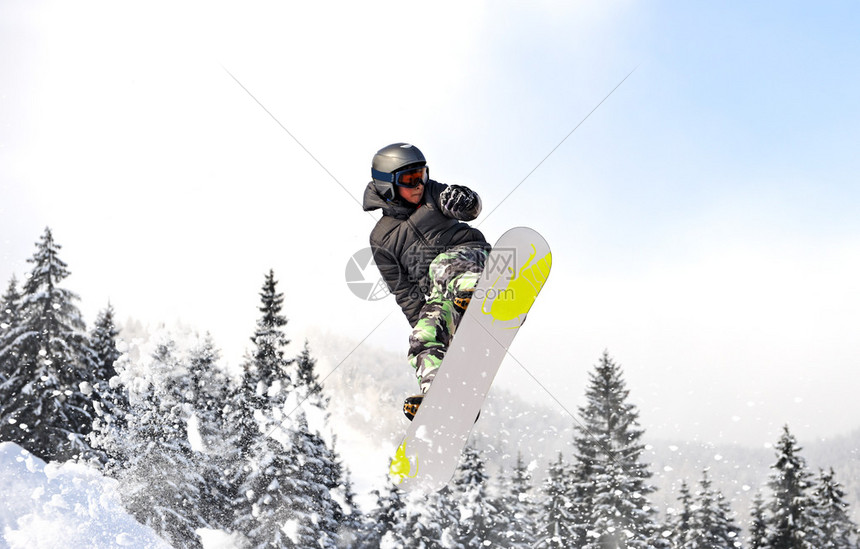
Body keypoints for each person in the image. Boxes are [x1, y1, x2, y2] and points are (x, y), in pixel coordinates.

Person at [363, 143, 490, 418]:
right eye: (410, 179)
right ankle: (441, 395)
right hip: (443, 294)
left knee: (442, 267)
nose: (420, 184)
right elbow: (404, 292)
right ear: (388, 186)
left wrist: (465, 200)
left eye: (422, 174)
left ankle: (478, 295)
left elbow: (468, 208)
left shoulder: (433, 194)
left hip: (472, 260)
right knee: (422, 335)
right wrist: (429, 323)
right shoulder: (380, 239)